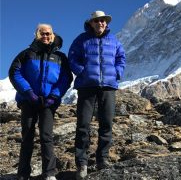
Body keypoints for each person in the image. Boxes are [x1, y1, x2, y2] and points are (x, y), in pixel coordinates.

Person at [9, 24, 73, 180]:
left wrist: (54, 96)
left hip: (48, 102)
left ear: (53, 35)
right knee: (27, 136)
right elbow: (14, 72)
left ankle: (50, 173)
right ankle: (23, 174)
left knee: (46, 135)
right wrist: (28, 93)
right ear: (37, 35)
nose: (46, 36)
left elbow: (66, 78)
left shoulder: (60, 58)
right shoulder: (26, 54)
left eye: (49, 33)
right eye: (42, 33)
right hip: (29, 100)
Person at [68, 10, 126, 179]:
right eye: (97, 21)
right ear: (91, 23)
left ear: (106, 23)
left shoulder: (114, 40)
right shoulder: (81, 39)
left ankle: (103, 159)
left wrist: (117, 73)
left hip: (108, 87)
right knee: (83, 125)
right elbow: (72, 57)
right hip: (87, 87)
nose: (100, 23)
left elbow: (121, 58)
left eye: (103, 21)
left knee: (106, 124)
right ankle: (82, 163)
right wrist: (82, 71)